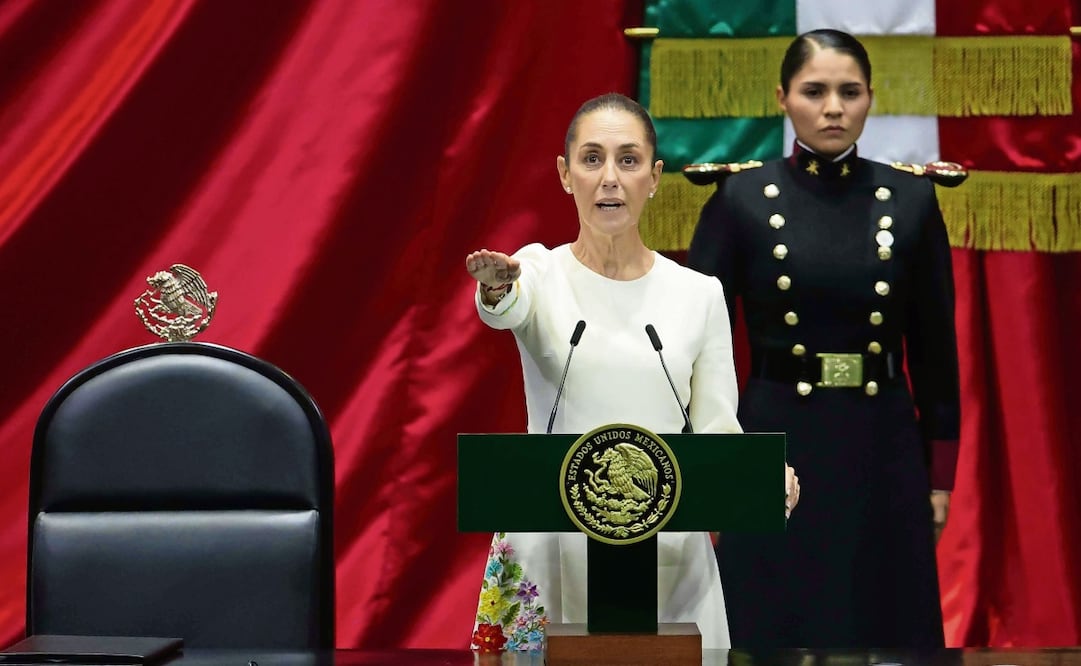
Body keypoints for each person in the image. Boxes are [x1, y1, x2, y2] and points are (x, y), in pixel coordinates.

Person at [464, 93, 799, 652]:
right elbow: (505, 307)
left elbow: (717, 429)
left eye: (628, 160)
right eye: (592, 159)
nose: (610, 178)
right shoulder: (540, 271)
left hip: (666, 551)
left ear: (655, 177)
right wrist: (497, 288)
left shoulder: (698, 294)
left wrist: (760, 478)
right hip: (550, 543)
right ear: (565, 174)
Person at [687, 29, 960, 648]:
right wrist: (710, 470)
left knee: (889, 631)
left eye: (849, 91)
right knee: (769, 632)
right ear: (782, 98)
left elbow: (936, 355)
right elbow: (700, 352)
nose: (833, 107)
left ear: (871, 98)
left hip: (882, 441)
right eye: (814, 91)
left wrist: (939, 477)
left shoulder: (912, 199)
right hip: (773, 444)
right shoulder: (740, 199)